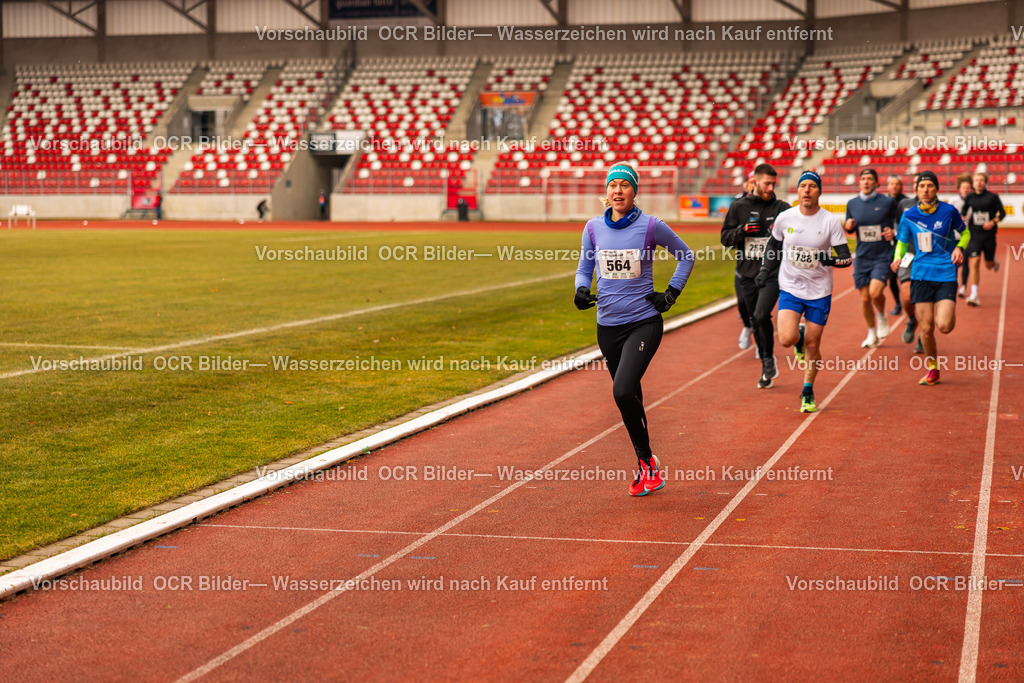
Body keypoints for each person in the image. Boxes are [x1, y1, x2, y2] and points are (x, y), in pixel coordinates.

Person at [574, 161, 695, 497]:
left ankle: (646, 463)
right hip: (607, 326)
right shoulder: (593, 228)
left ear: (634, 191)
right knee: (631, 396)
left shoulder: (651, 226)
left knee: (622, 390)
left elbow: (686, 256)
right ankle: (647, 464)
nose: (618, 191)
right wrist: (581, 289)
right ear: (606, 191)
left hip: (643, 321)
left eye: (624, 185)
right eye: (613, 185)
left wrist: (671, 293)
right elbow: (585, 267)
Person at [756, 170, 852, 413]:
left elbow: (846, 257)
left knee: (812, 344)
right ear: (798, 190)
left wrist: (829, 260)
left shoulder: (829, 221)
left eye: (812, 186)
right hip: (791, 287)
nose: (807, 190)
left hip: (819, 291)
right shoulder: (785, 218)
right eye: (803, 186)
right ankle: (797, 337)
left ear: (819, 191)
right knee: (786, 339)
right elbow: (773, 246)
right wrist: (765, 270)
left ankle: (808, 391)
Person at [891, 170, 970, 385]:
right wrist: (897, 258)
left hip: (945, 273)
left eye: (929, 186)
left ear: (936, 189)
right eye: (921, 186)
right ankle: (933, 368)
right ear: (916, 190)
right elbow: (901, 242)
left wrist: (959, 248)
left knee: (944, 326)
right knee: (926, 328)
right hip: (920, 274)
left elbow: (965, 233)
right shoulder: (909, 215)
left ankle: (948, 313)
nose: (925, 190)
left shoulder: (948, 211)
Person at [720, 163, 791, 388]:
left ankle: (767, 359)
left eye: (773, 184)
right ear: (755, 182)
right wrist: (742, 231)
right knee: (754, 319)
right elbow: (725, 238)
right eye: (766, 183)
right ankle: (766, 362)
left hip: (772, 273)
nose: (770, 188)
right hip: (747, 273)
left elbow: (795, 236)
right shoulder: (738, 207)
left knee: (761, 315)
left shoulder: (782, 208)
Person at [844, 168, 899, 349]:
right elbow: (850, 227)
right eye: (863, 179)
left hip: (882, 255)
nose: (866, 182)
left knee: (875, 293)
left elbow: (900, 224)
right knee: (865, 299)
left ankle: (881, 316)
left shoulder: (888, 202)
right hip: (862, 256)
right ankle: (871, 332)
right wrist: (848, 226)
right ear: (859, 182)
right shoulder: (852, 204)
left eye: (869, 179)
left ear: (877, 183)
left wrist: (894, 232)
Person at [960, 171, 1005, 307]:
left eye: (981, 180)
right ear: (973, 184)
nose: (979, 182)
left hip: (989, 236)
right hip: (975, 235)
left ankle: (993, 260)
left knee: (988, 265)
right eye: (976, 180)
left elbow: (1002, 213)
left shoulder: (992, 197)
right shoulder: (969, 197)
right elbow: (964, 210)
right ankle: (974, 294)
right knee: (974, 261)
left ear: (985, 183)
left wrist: (993, 222)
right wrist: (962, 216)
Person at [885, 175, 907, 315]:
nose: (894, 186)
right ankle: (898, 303)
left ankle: (911, 302)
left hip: (906, 244)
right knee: (892, 277)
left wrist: (896, 232)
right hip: (889, 246)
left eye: (897, 184)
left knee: (907, 276)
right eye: (892, 184)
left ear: (901, 186)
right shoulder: (883, 202)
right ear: (887, 186)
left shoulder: (906, 202)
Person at [950, 174, 973, 297]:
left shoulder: (974, 201)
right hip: (954, 236)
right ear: (959, 189)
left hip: (968, 237)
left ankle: (963, 286)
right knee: (954, 261)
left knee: (965, 261)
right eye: (964, 187)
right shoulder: (953, 201)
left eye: (968, 188)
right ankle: (952, 284)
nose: (966, 190)